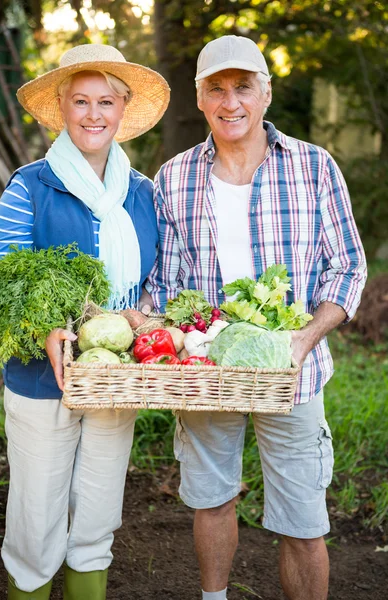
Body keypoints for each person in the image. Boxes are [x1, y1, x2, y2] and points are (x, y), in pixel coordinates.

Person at [147, 35, 367, 600]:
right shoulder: (174, 177)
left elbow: (348, 270)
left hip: (295, 374)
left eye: (243, 86)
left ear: (266, 93)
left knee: (303, 517)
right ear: (199, 99)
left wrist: (304, 338)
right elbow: (167, 284)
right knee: (211, 497)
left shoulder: (314, 167)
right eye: (216, 89)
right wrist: (156, 332)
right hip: (207, 372)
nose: (231, 101)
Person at [0, 43, 169, 599]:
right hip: (42, 380)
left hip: (115, 377)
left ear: (122, 109)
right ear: (62, 108)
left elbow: (157, 280)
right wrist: (47, 330)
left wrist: (143, 319)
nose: (94, 114)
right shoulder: (30, 186)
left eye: (106, 102)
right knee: (35, 523)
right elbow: (5, 277)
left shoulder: (143, 194)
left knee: (95, 518)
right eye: (82, 101)